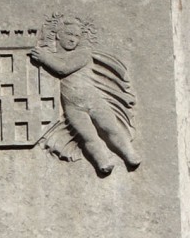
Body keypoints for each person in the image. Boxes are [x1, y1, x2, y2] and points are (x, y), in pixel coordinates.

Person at [31, 15, 140, 174]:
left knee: (110, 128)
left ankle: (129, 154)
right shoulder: (53, 55)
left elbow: (62, 68)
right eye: (69, 34)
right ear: (59, 35)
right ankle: (103, 161)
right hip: (72, 106)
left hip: (93, 101)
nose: (72, 39)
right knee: (88, 136)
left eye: (76, 36)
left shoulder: (83, 53)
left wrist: (44, 57)